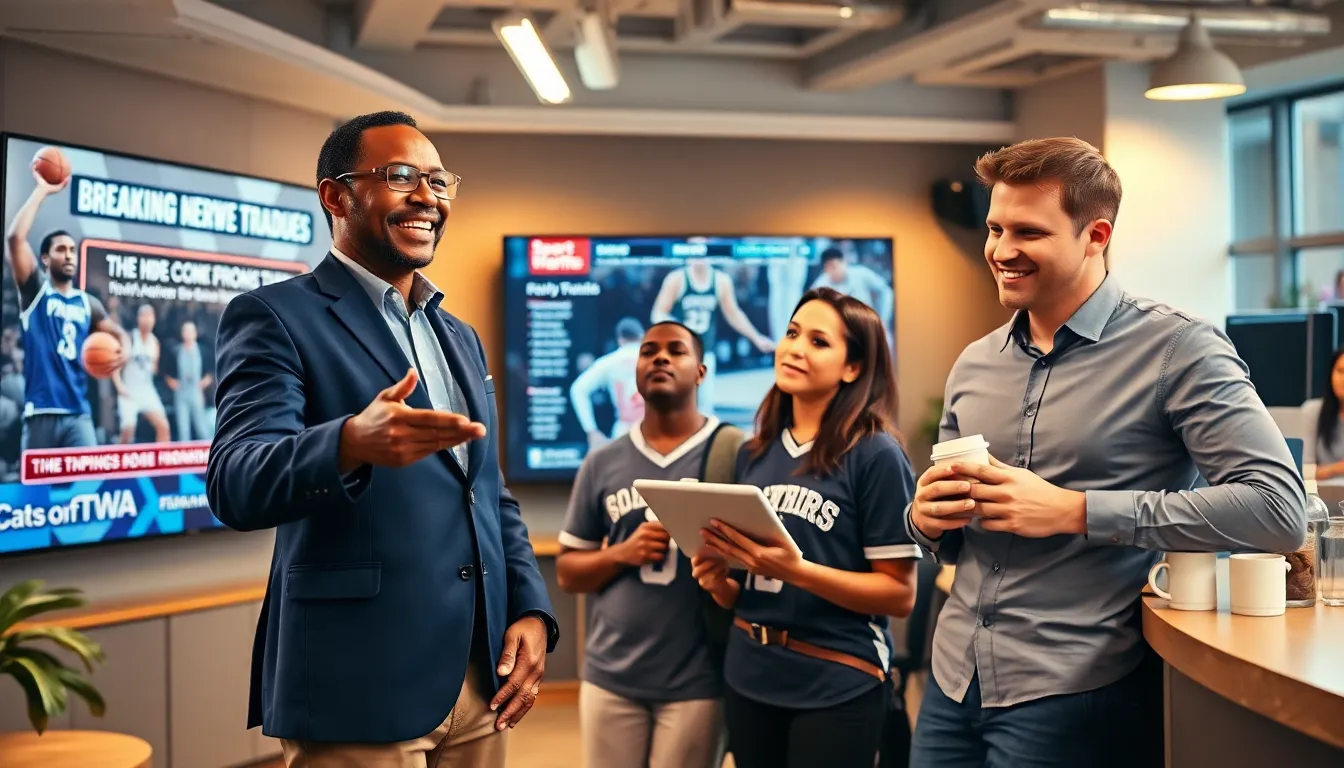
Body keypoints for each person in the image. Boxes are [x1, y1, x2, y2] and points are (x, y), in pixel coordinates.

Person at [907, 137, 1307, 767]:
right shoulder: (975, 363)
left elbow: (1276, 509)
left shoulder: (1178, 349)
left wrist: (1076, 511)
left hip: (1076, 691)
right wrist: (926, 520)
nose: (1002, 251)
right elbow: (956, 534)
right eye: (995, 228)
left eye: (1029, 232)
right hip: (954, 679)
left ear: (1095, 235)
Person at [206, 110, 558, 768]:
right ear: (336, 196)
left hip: (479, 678)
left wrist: (533, 610)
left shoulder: (458, 335)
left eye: (438, 181)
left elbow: (489, 494)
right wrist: (347, 443)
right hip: (357, 684)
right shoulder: (274, 316)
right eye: (400, 177)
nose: (427, 196)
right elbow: (236, 481)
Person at [691, 286, 921, 768]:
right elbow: (751, 586)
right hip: (749, 674)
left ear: (852, 367)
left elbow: (899, 595)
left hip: (837, 680)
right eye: (792, 333)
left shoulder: (876, 454)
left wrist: (796, 570)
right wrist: (719, 584)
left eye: (818, 341)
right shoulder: (753, 453)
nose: (795, 348)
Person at [556, 320, 731, 768]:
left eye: (676, 350)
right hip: (611, 678)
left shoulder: (733, 453)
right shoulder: (602, 462)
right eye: (648, 351)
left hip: (698, 681)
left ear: (701, 372)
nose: (660, 358)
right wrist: (623, 553)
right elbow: (568, 573)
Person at [4, 167, 129, 450]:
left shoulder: (88, 303)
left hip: (78, 412)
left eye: (72, 250)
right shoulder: (36, 292)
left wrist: (124, 353)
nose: (69, 255)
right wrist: (43, 190)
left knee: (89, 477)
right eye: (61, 249)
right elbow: (15, 239)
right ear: (45, 259)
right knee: (36, 481)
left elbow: (119, 334)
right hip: (41, 412)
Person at [650, 256, 775, 412]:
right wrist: (678, 330)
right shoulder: (677, 279)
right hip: (679, 355)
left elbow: (733, 314)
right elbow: (658, 314)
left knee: (705, 407)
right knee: (679, 405)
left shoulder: (720, 280)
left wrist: (756, 337)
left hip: (706, 352)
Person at [569, 316, 645, 450]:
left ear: (620, 340)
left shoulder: (610, 362)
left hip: (624, 433)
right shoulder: (661, 361)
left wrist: (591, 430)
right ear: (642, 337)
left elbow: (578, 389)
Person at [113, 304, 170, 444]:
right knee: (128, 432)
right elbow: (115, 366)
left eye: (150, 316)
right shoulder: (129, 338)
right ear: (138, 318)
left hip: (146, 389)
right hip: (129, 391)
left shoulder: (155, 342)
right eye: (144, 316)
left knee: (163, 427)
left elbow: (154, 369)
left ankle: (161, 457)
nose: (147, 320)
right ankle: (121, 457)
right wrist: (119, 386)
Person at [810, 246, 893, 339]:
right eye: (828, 268)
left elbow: (885, 290)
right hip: (839, 332)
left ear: (843, 262)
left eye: (835, 266)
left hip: (868, 325)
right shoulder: (821, 284)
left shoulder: (861, 273)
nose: (833, 271)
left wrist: (883, 317)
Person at [164, 320, 214, 441]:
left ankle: (207, 450)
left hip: (196, 392)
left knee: (202, 427)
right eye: (186, 331)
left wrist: (204, 382)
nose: (188, 334)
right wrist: (171, 382)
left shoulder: (202, 351)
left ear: (195, 333)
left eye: (191, 331)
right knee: (183, 429)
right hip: (181, 392)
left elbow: (211, 371)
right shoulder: (176, 351)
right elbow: (166, 371)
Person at [1311, 346, 1344, 480]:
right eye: (1340, 371)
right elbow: (1302, 470)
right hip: (1321, 491)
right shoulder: (1312, 411)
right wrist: (1338, 468)